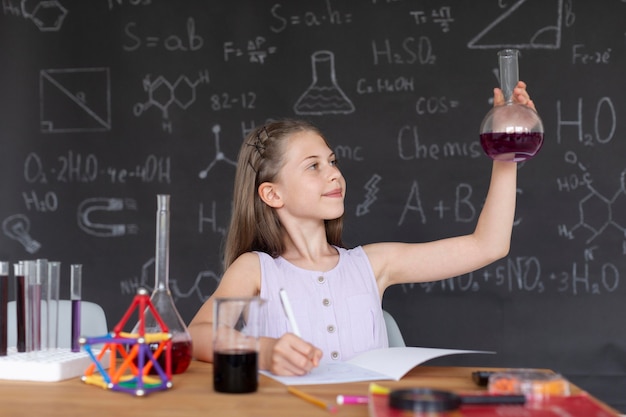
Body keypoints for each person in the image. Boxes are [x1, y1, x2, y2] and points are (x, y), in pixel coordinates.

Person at [189, 81, 536, 376]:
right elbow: (197, 335)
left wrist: (507, 152)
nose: (333, 173)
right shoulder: (255, 269)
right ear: (272, 193)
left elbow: (489, 245)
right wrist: (263, 351)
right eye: (313, 166)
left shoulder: (372, 264)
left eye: (332, 161)